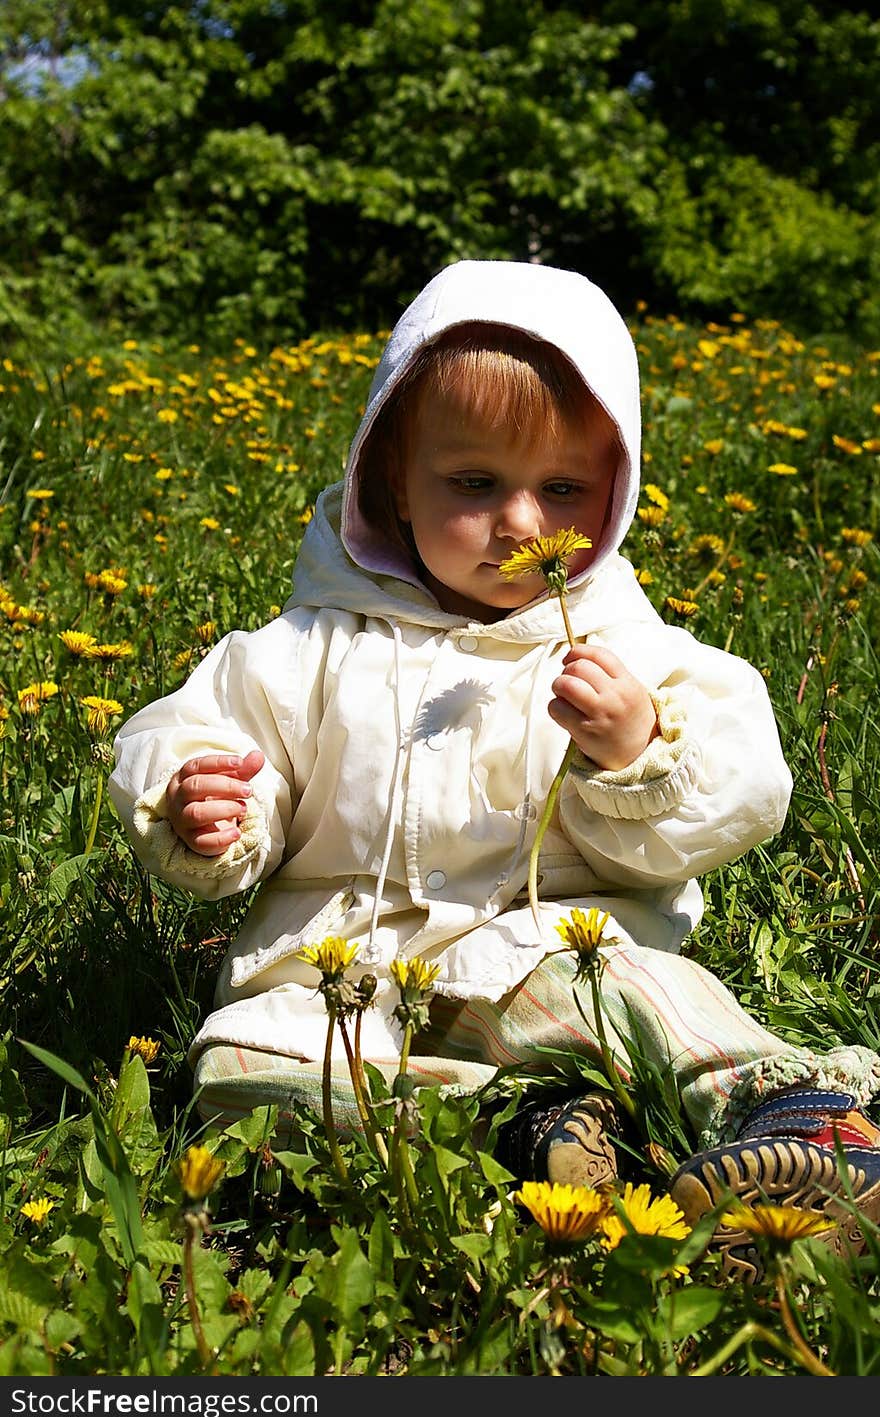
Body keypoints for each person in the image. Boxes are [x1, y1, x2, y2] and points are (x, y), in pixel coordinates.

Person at [109, 260, 880, 1279]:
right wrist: (210, 798)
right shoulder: (306, 646)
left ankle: (791, 1117)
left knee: (643, 993)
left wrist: (640, 753)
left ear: (614, 492)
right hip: (342, 971)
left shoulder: (627, 649)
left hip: (550, 948)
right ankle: (531, 1140)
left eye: (560, 489)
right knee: (249, 1073)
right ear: (392, 477)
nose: (520, 524)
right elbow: (201, 732)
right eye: (473, 484)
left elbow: (742, 790)